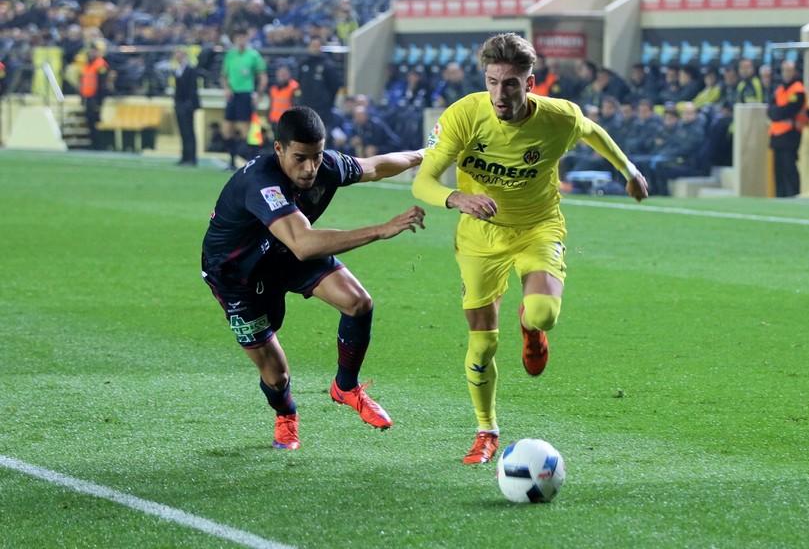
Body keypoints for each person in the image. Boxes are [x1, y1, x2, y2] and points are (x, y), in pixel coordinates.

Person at [411, 33, 649, 464]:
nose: (500, 94)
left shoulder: (559, 118)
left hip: (538, 227)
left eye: (511, 84)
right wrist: (456, 198)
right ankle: (486, 430)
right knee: (482, 345)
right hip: (480, 237)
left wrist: (628, 170)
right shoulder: (463, 116)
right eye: (493, 81)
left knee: (543, 314)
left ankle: (530, 327)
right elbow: (423, 181)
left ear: (530, 82)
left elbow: (593, 131)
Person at [200, 106, 426, 450]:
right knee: (277, 376)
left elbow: (375, 166)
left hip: (283, 252)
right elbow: (304, 244)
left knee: (357, 302)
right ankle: (286, 415)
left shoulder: (326, 165)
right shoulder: (262, 182)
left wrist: (424, 154)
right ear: (279, 150)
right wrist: (381, 229)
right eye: (300, 158)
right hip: (238, 276)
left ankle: (346, 387)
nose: (309, 169)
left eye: (317, 157)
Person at [221, 29, 268, 170]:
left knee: (244, 129)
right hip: (232, 95)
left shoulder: (253, 56)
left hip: (246, 95)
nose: (241, 40)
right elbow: (224, 76)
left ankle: (248, 162)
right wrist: (226, 88)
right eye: (238, 37)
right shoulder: (230, 55)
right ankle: (231, 161)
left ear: (247, 38)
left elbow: (262, 77)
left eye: (243, 37)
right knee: (227, 129)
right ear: (235, 39)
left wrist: (258, 94)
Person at [767, 60, 808, 197]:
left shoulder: (798, 90)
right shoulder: (779, 89)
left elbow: (790, 109)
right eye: (784, 70)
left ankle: (793, 194)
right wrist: (777, 113)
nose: (786, 73)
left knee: (789, 165)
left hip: (791, 133)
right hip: (776, 134)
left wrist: (778, 113)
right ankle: (780, 195)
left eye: (789, 70)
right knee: (778, 168)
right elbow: (771, 110)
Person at [297, 38, 341, 129]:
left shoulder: (327, 65)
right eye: (313, 46)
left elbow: (335, 85)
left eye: (317, 46)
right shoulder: (303, 63)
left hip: (322, 109)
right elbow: (298, 81)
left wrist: (327, 101)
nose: (315, 48)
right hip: (305, 107)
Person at [173, 48, 200, 166]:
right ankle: (185, 157)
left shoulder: (190, 69)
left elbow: (193, 88)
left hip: (187, 104)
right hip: (179, 104)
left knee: (189, 131)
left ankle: (192, 158)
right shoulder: (178, 70)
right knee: (183, 132)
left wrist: (190, 103)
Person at [80, 46, 110, 150]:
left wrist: (99, 102)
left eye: (93, 51)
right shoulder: (88, 65)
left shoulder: (100, 65)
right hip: (88, 98)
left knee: (96, 122)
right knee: (90, 122)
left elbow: (102, 85)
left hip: (95, 99)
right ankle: (93, 144)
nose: (91, 53)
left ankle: (99, 145)